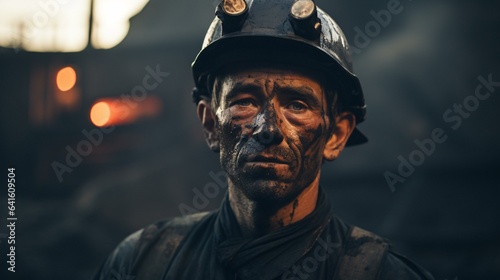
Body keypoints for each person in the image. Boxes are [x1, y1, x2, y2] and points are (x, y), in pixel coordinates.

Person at [93, 0, 435, 279]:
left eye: (297, 104)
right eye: (244, 100)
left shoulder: (379, 274)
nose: (269, 129)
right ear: (210, 123)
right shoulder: (142, 264)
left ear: (336, 134)